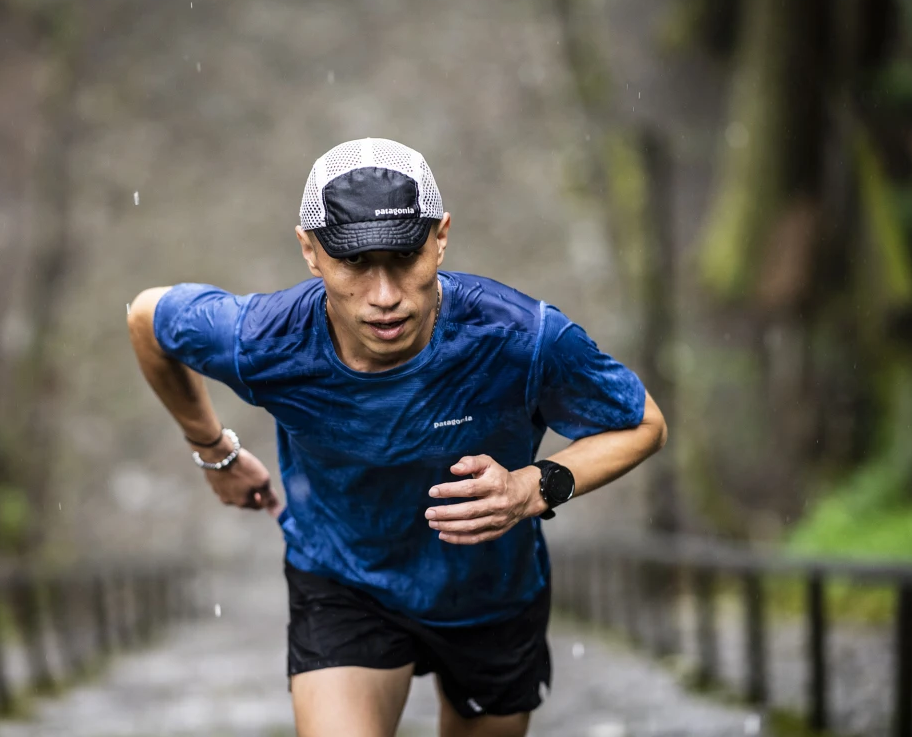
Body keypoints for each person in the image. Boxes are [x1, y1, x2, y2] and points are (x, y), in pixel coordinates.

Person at [127, 137, 667, 737]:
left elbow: (643, 423)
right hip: (344, 581)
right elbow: (147, 318)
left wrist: (534, 487)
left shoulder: (521, 338)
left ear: (440, 237)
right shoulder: (261, 340)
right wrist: (214, 451)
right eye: (354, 263)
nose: (385, 297)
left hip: (489, 592)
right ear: (311, 251)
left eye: (406, 257)